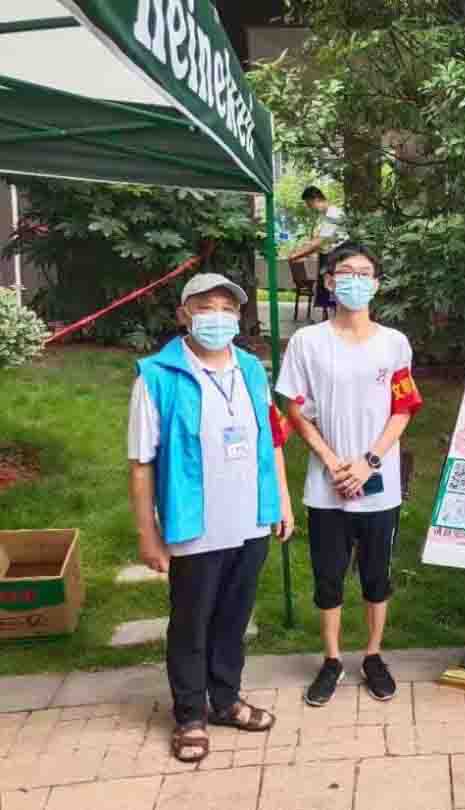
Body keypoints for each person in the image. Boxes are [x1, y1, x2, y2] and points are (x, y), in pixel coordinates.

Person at [128, 273, 295, 764]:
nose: (217, 317)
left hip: (250, 520)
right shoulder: (157, 376)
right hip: (195, 526)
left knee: (234, 618)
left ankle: (225, 700)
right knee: (191, 623)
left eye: (227, 308)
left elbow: (271, 441)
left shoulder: (252, 369)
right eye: (205, 306)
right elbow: (141, 464)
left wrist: (281, 501)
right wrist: (148, 534)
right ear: (184, 314)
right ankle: (189, 716)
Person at [276, 241, 423, 707]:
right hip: (327, 485)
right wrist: (330, 459)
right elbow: (293, 406)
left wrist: (369, 462)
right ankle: (332, 659)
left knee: (377, 575)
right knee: (328, 577)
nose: (354, 281)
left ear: (376, 285)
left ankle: (374, 656)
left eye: (364, 273)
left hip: (379, 484)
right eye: (345, 272)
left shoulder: (394, 344)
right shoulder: (308, 342)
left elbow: (403, 408)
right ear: (329, 281)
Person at [288, 186, 348, 317]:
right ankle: (330, 322)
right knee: (328, 297)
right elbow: (318, 243)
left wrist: (296, 254)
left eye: (309, 204)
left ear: (315, 199)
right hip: (327, 257)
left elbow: (319, 241)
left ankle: (337, 322)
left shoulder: (333, 214)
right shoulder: (324, 216)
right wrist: (302, 254)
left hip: (336, 258)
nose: (310, 208)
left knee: (334, 296)